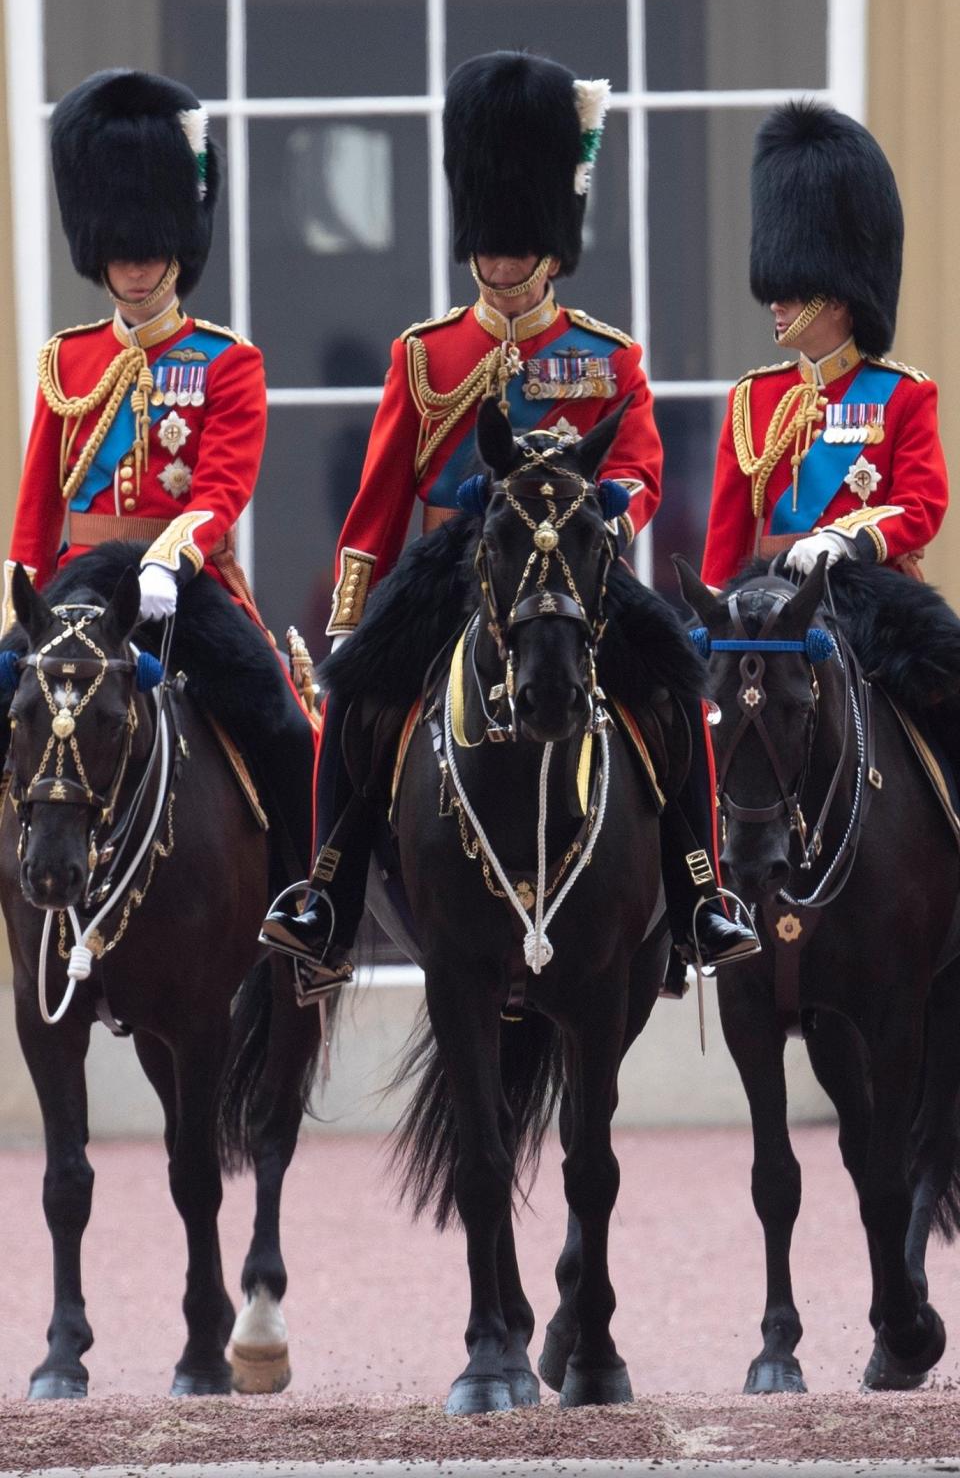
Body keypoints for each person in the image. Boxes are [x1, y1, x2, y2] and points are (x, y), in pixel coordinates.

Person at [261, 50, 758, 997]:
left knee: (676, 696)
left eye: (516, 240)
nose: (499, 258)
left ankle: (701, 895)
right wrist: (350, 616)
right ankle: (323, 897)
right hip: (455, 566)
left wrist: (612, 505)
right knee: (357, 706)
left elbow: (643, 466)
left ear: (550, 242)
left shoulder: (604, 356)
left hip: (574, 565)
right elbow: (378, 504)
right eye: (487, 241)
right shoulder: (427, 353)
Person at [2, 68, 317, 881]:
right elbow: (41, 497)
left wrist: (173, 556)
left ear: (180, 249)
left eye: (151, 255)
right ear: (99, 258)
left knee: (283, 727)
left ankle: (305, 908)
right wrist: (24, 588)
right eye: (121, 257)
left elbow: (223, 488)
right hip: (76, 586)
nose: (138, 271)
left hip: (183, 580)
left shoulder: (225, 360)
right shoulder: (69, 359)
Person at [702, 100, 948, 590]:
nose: (776, 302)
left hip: (869, 591)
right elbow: (727, 536)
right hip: (771, 593)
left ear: (837, 299)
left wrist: (844, 540)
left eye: (791, 290)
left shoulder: (903, 395)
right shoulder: (752, 399)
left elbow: (921, 508)